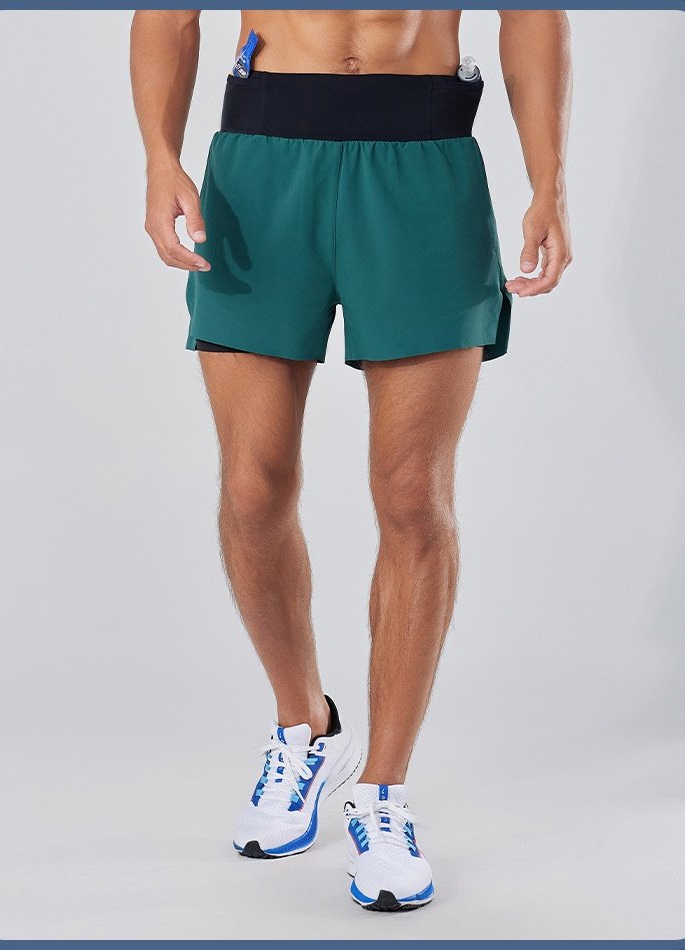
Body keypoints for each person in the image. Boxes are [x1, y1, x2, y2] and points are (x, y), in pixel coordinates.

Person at [131, 8, 572, 912]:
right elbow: (169, 13)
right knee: (252, 488)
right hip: (260, 170)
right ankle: (305, 724)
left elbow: (532, 14)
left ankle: (382, 791)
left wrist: (549, 179)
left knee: (413, 496)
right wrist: (158, 157)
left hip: (425, 167)